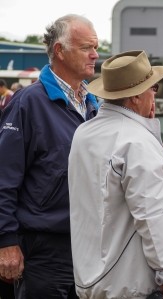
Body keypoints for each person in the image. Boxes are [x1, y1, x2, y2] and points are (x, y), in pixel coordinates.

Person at [68, 50, 163, 299]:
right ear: (137, 96)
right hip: (134, 284)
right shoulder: (136, 142)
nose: (155, 95)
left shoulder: (84, 133)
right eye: (153, 88)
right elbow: (153, 215)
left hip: (91, 278)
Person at [0, 14, 99, 299]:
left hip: (89, 248)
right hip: (44, 249)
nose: (95, 54)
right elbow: (4, 177)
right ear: (59, 51)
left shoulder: (93, 105)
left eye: (95, 47)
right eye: (86, 47)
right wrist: (5, 240)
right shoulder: (28, 103)